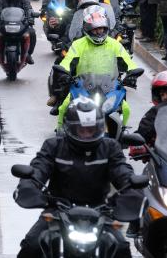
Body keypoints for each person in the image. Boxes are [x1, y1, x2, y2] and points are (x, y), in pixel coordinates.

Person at [16, 97, 136, 258]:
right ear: (70, 128)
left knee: (121, 247)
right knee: (32, 245)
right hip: (58, 210)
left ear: (99, 127)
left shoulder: (110, 147)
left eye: (91, 130)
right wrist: (29, 186)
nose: (87, 134)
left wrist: (131, 189)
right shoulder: (54, 146)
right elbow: (38, 168)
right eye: (82, 130)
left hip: (100, 211)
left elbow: (123, 171)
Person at [52, 6, 139, 119]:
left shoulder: (115, 44)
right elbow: (67, 62)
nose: (99, 32)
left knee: (125, 108)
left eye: (101, 28)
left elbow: (128, 62)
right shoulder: (78, 44)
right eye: (95, 29)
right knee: (64, 107)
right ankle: (60, 133)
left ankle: (121, 132)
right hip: (83, 87)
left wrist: (132, 74)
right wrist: (64, 73)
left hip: (110, 88)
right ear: (88, 29)